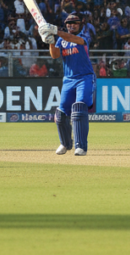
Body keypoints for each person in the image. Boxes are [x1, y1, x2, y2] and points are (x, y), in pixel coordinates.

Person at [40, 13, 94, 156]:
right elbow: (55, 55)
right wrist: (51, 41)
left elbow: (72, 39)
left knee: (79, 107)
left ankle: (81, 146)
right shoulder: (61, 40)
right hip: (68, 79)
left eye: (75, 23)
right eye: (69, 23)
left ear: (80, 24)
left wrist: (56, 31)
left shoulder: (84, 36)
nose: (71, 25)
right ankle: (65, 143)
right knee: (61, 113)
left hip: (84, 78)